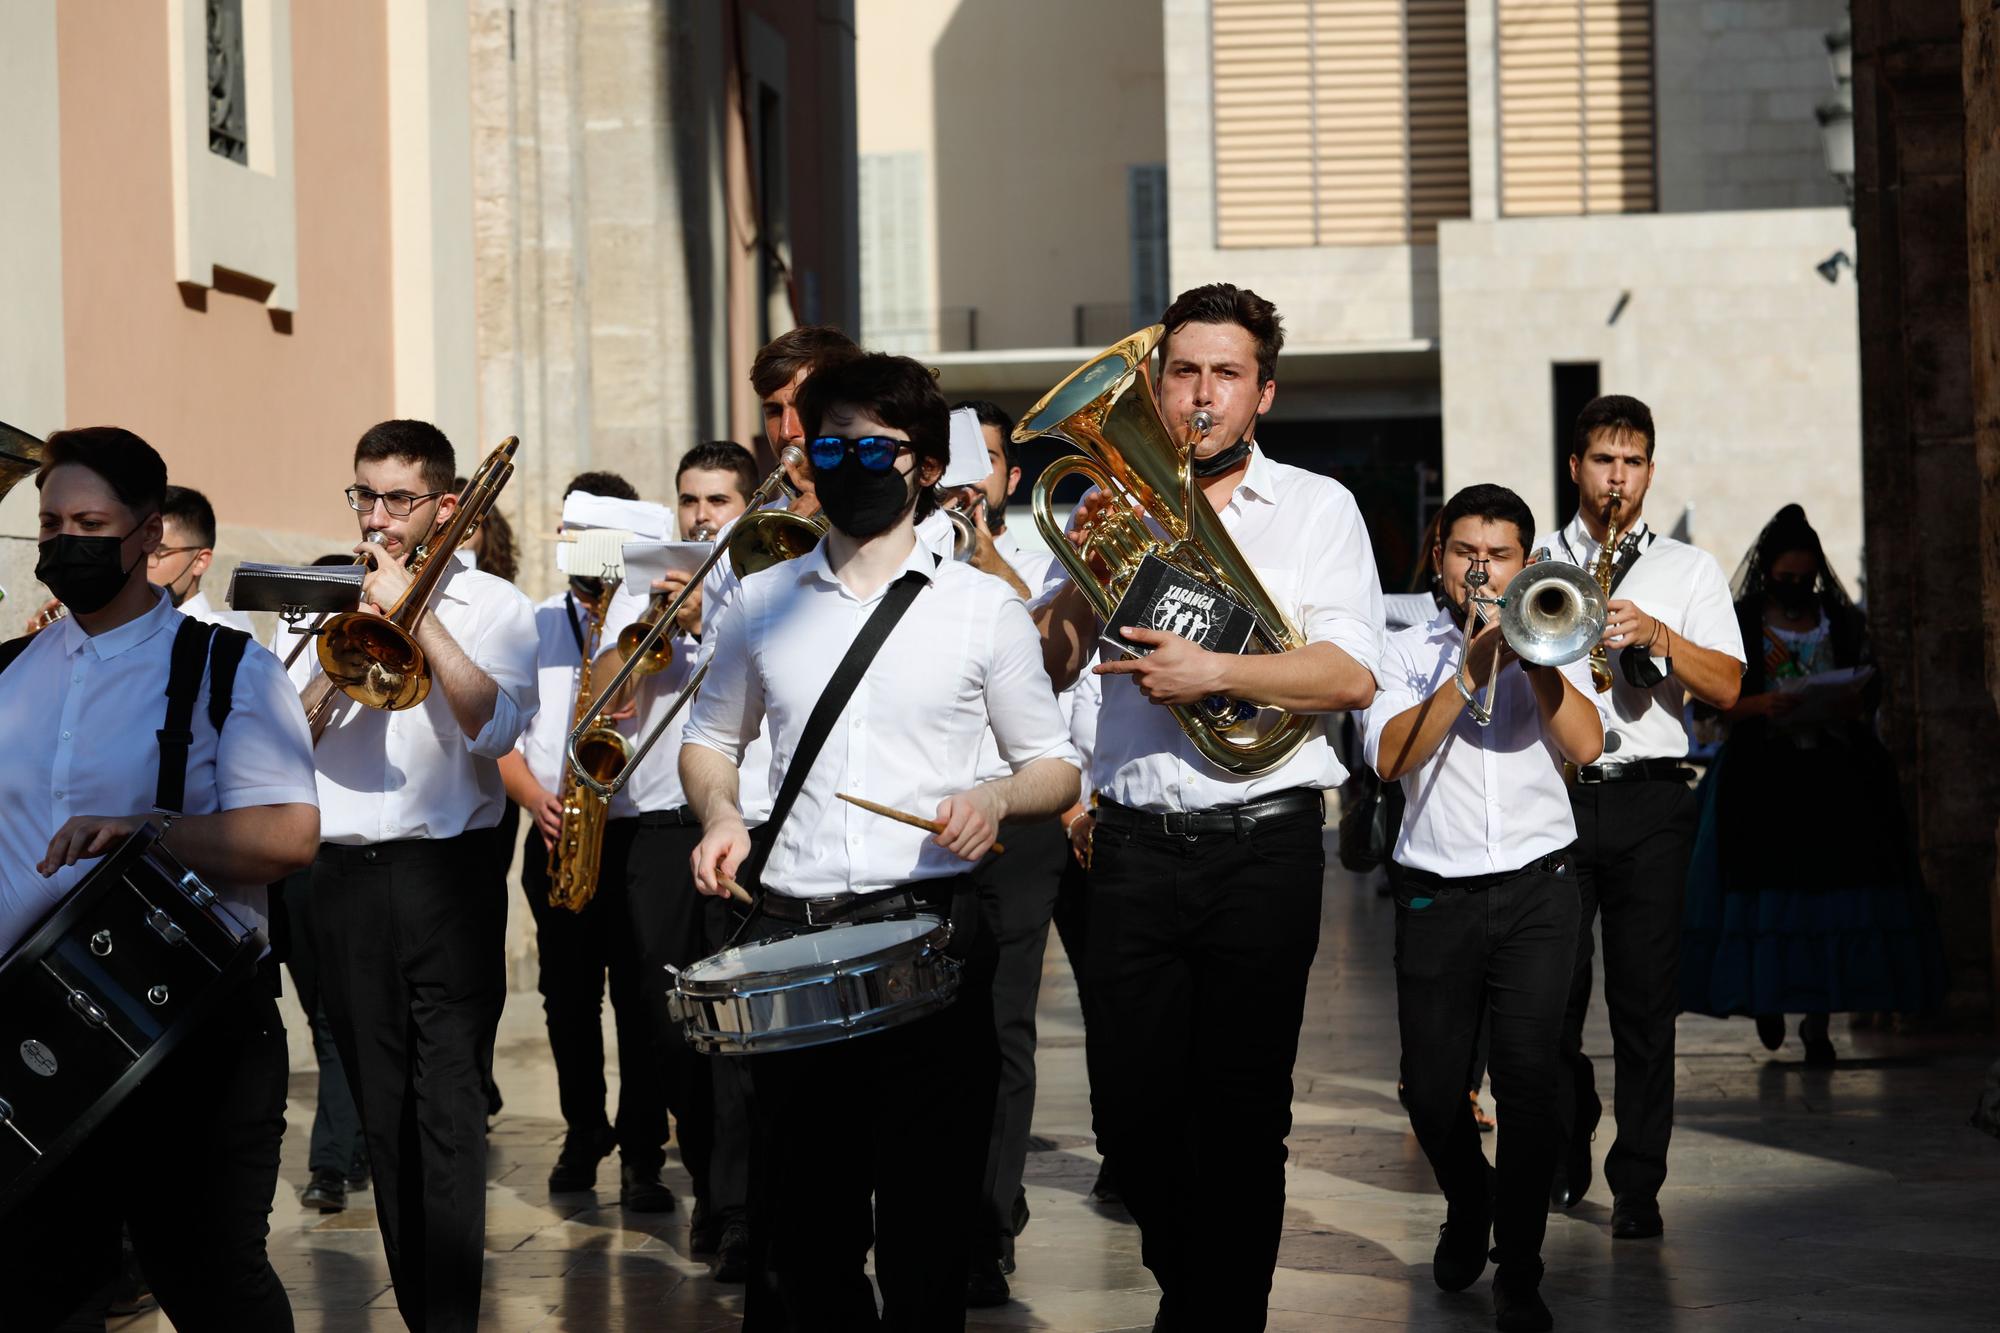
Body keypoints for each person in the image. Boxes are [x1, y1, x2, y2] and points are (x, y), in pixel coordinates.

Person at [680, 352, 1080, 1329]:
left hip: (933, 938)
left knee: (927, 1236)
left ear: (922, 463)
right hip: (795, 935)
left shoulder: (980, 607)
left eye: (874, 446)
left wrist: (993, 797)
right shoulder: (758, 598)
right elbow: (707, 740)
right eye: (831, 445)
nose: (850, 462)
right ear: (805, 459)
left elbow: (1055, 763)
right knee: (801, 1245)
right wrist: (723, 814)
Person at [1033, 283, 1385, 1328]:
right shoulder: (1106, 507)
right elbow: (1045, 664)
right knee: (1133, 1122)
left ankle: (1211, 1314)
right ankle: (1197, 1288)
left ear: (1260, 393)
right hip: (1131, 848)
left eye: (1223, 375)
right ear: (1154, 383)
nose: (1198, 395)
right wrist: (1072, 584)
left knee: (1239, 1115)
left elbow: (1350, 674)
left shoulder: (1317, 508)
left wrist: (1217, 671)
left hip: (1260, 845)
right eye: (1181, 372)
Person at [0, 427, 320, 1331]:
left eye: (90, 521)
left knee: (209, 1280)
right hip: (30, 1029)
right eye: (51, 522)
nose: (66, 541)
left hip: (186, 1036)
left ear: (147, 534)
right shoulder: (14, 672)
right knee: (36, 1290)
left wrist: (151, 830)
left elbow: (291, 836)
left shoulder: (228, 670)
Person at [282, 419, 538, 1332]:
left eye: (397, 498)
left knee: (450, 1102)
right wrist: (340, 648)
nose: (378, 516)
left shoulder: (498, 606)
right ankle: (422, 1302)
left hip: (448, 876)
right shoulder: (322, 596)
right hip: (344, 878)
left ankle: (451, 1317)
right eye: (364, 495)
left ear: (443, 505)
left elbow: (499, 730)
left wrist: (417, 616)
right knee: (384, 1108)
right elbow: (281, 745)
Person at [1362, 484, 1604, 1333]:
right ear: (1440, 558)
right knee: (1431, 1093)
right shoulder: (1404, 651)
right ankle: (1472, 1203)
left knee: (1530, 1081)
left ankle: (1522, 1270)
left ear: (1526, 563)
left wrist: (1531, 655)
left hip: (1541, 885)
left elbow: (1585, 745)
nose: (1482, 569)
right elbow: (1391, 757)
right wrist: (1468, 668)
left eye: (1499, 555)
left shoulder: (1557, 629)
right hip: (1436, 891)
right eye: (1467, 552)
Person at [1536, 395, 1744, 1239]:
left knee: (1644, 1000)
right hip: (1554, 793)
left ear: (1649, 470)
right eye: (1602, 460)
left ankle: (1639, 1185)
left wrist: (1658, 629)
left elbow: (1728, 687)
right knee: (1549, 996)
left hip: (1653, 796)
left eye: (1633, 462)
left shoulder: (1688, 570)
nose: (1617, 477)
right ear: (1576, 466)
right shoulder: (1541, 556)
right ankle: (1572, 1112)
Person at [692, 327, 862, 1285]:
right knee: (747, 1050)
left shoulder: (892, 517)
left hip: (852, 837)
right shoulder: (745, 532)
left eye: (806, 404)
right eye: (774, 411)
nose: (789, 428)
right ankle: (754, 1218)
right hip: (749, 823)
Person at [1680, 503, 1943, 1063]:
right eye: (1786, 579)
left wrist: (1848, 699)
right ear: (1769, 571)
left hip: (1834, 777)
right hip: (1763, 780)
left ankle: (1819, 1020)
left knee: (1830, 901)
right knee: (1766, 898)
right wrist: (1762, 703)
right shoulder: (1743, 621)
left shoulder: (1839, 621)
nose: (1797, 588)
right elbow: (1712, 706)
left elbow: (1871, 685)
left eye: (1805, 578)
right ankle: (1767, 1000)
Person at [498, 469, 676, 1210]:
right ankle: (583, 1129)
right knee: (566, 998)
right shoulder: (534, 622)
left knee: (641, 999)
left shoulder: (658, 621)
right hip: (557, 830)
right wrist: (537, 798)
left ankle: (643, 1151)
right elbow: (501, 736)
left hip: (636, 833)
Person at [934, 398, 1074, 1306]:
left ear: (1006, 477)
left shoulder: (1034, 562)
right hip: (926, 825)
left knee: (1005, 1025)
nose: (964, 480)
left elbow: (1046, 653)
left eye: (982, 462)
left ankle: (988, 1220)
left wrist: (979, 546)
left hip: (1018, 822)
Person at [148, 483, 254, 632]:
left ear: (200, 561)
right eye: (135, 550)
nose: (140, 564)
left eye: (156, 552)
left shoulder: (224, 637)